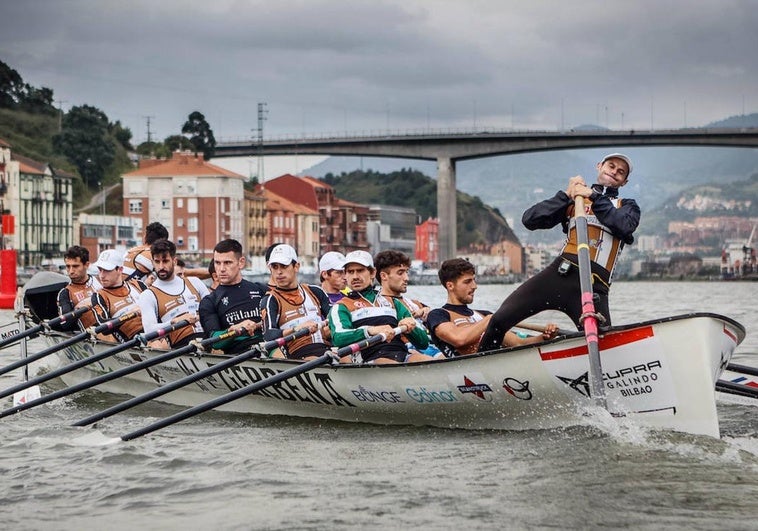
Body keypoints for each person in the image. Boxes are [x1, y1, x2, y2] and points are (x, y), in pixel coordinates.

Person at [479, 153, 640, 351]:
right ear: (599, 166)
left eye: (620, 172)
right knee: (499, 321)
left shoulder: (627, 207)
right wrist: (566, 195)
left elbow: (623, 226)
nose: (614, 172)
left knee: (604, 347)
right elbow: (530, 220)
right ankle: (478, 369)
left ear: (624, 181)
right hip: (560, 275)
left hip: (593, 286)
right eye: (611, 166)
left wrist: (593, 196)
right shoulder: (575, 201)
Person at [427, 258, 558, 357]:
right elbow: (459, 340)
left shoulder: (483, 315)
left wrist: (544, 338)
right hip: (468, 368)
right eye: (467, 282)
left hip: (494, 361)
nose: (474, 286)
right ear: (450, 286)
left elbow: (519, 344)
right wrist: (489, 320)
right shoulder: (438, 315)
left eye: (474, 280)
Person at [328, 250, 429, 364]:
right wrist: (371, 330)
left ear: (372, 273)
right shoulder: (341, 306)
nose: (355, 276)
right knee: (386, 362)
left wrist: (412, 328)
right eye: (351, 272)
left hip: (401, 354)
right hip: (368, 359)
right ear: (345, 275)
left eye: (360, 271)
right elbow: (338, 337)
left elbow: (423, 343)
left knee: (425, 360)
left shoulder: (393, 302)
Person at [260, 244, 331, 360]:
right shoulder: (270, 300)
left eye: (283, 266)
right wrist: (296, 329)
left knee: (346, 357)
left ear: (296, 266)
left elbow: (336, 317)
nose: (279, 272)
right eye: (274, 267)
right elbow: (269, 334)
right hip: (298, 356)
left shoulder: (315, 291)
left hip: (327, 350)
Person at [198, 239, 268, 354]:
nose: (221, 269)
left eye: (227, 263)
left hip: (268, 347)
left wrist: (257, 325)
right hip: (239, 355)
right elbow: (214, 341)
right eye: (217, 263)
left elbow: (279, 321)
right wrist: (234, 329)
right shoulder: (209, 301)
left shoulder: (260, 290)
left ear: (241, 262)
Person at [137, 239, 210, 349]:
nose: (161, 267)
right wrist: (174, 322)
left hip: (209, 340)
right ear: (152, 263)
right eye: (157, 262)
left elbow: (213, 309)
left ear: (174, 261)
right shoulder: (148, 295)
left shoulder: (195, 282)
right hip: (181, 347)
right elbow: (149, 330)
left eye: (165, 261)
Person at [373, 249, 438, 357]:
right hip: (408, 351)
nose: (406, 278)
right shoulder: (377, 305)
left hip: (431, 346)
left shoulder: (415, 303)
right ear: (384, 276)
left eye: (406, 272)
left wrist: (429, 313)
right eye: (400, 273)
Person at [90, 249, 147, 342]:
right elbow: (102, 326)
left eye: (106, 270)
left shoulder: (139, 285)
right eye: (100, 270)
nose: (101, 275)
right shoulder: (99, 296)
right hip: (133, 340)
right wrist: (131, 314)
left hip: (156, 331)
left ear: (120, 269)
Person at [55, 245, 102, 332]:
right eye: (68, 266)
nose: (71, 271)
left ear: (87, 265)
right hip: (91, 337)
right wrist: (78, 310)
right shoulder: (65, 293)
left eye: (75, 266)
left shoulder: (101, 282)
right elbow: (65, 324)